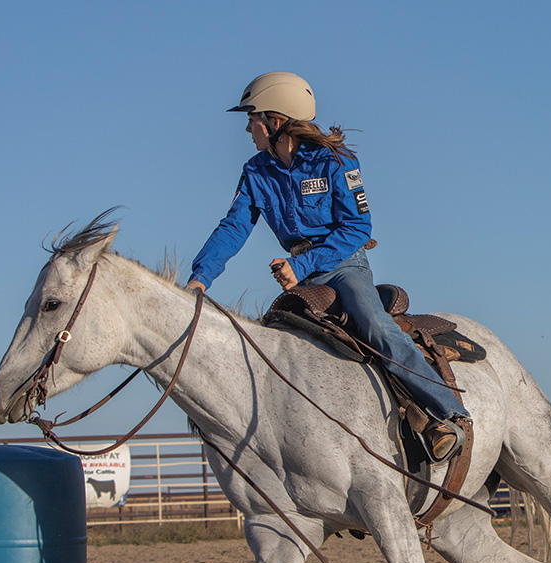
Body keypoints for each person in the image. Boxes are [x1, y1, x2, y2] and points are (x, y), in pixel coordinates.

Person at [187, 72, 470, 461]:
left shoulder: (337, 160)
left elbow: (358, 227)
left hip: (343, 264)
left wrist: (301, 266)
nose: (248, 128)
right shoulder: (256, 172)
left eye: (251, 118)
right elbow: (233, 228)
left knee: (373, 324)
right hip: (300, 274)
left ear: (276, 120)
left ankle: (448, 414)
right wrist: (199, 280)